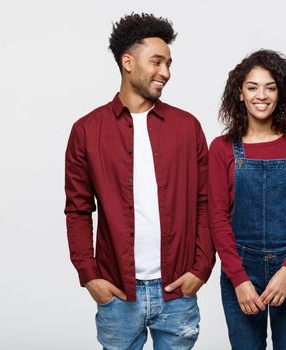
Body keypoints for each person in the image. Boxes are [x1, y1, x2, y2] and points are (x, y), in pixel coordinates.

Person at [64, 13, 215, 350]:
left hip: (177, 291)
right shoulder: (87, 131)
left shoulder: (187, 127)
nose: (166, 72)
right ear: (128, 62)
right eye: (157, 61)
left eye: (169, 63)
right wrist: (89, 275)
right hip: (118, 293)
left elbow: (205, 201)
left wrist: (202, 268)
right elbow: (77, 210)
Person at [208, 49, 286, 349]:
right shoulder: (221, 148)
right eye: (252, 87)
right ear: (239, 94)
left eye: (270, 87)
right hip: (241, 272)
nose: (262, 95)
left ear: (281, 93)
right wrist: (238, 279)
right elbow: (217, 219)